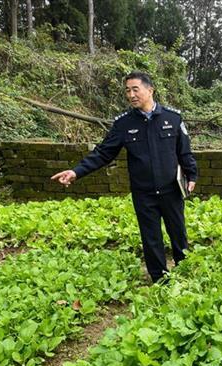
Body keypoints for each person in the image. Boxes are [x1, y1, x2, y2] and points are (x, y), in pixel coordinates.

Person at [51, 71, 197, 283]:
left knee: (178, 233)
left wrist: (192, 174)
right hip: (143, 193)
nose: (131, 95)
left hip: (171, 189)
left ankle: (185, 273)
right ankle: (160, 280)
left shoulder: (172, 118)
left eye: (135, 89)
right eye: (127, 91)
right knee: (151, 238)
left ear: (150, 90)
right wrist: (76, 172)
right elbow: (103, 152)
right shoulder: (124, 124)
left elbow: (184, 152)